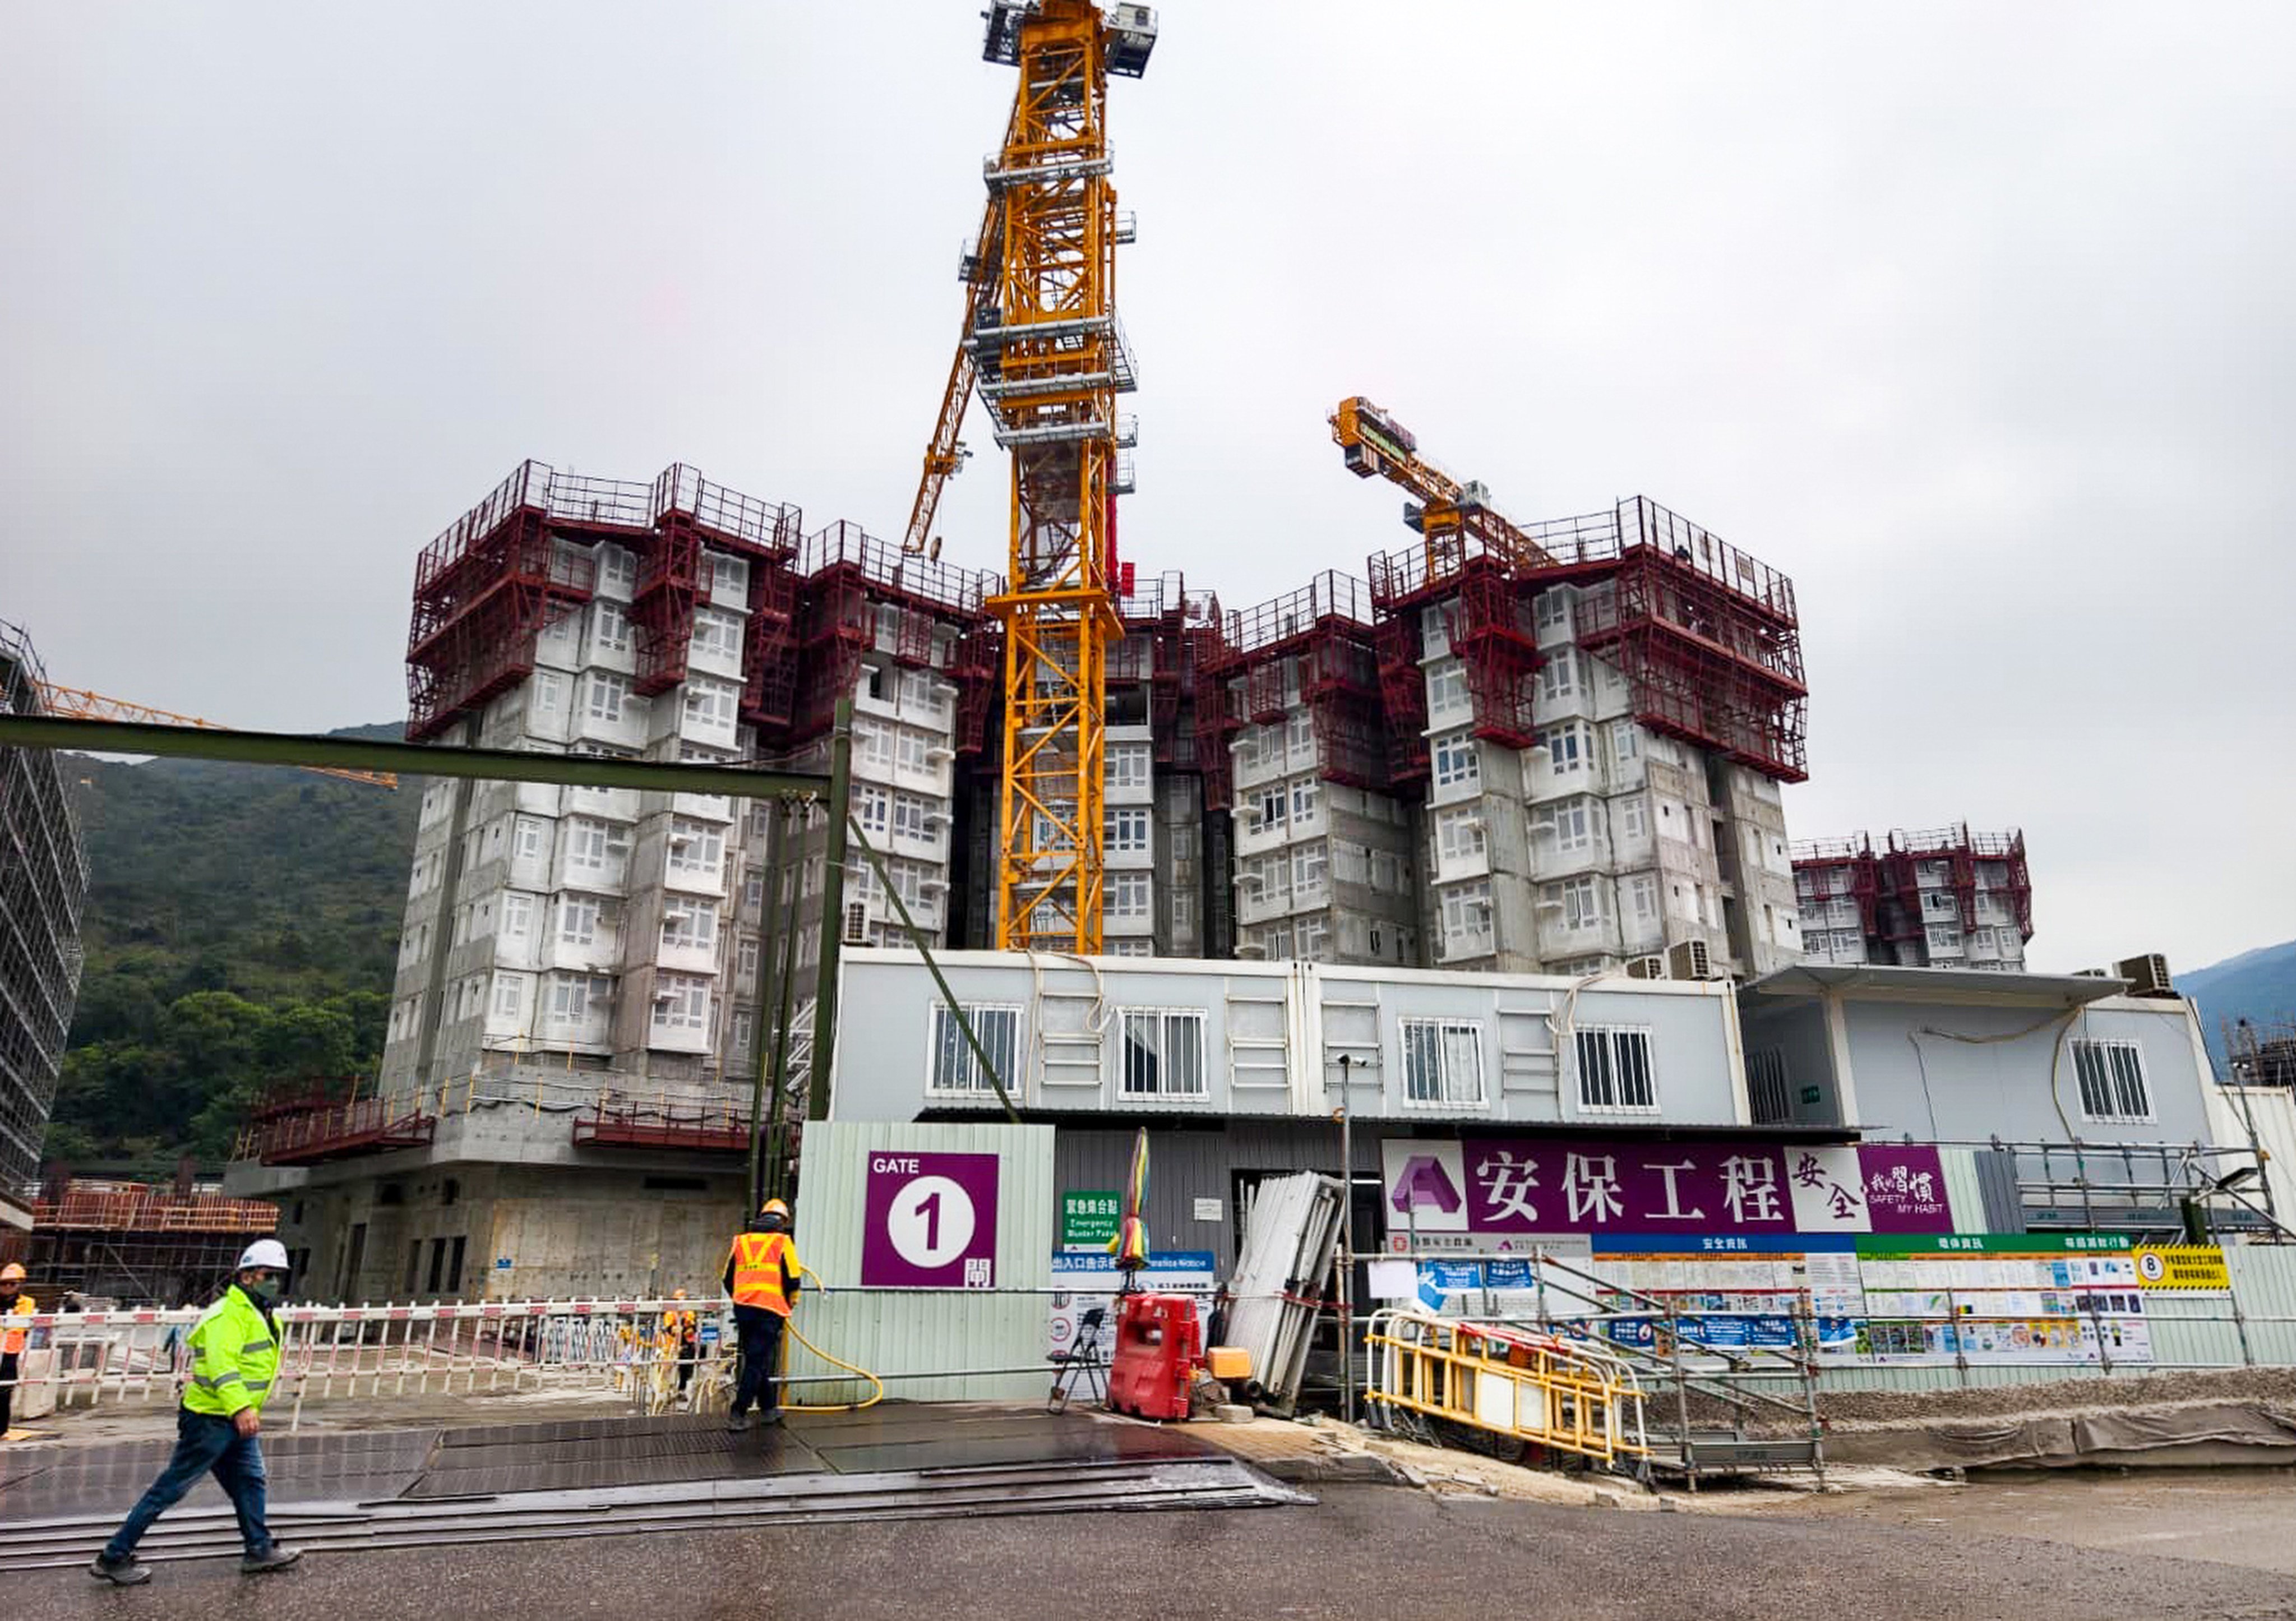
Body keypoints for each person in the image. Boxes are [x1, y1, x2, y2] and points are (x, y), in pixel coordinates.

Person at [89, 1240, 303, 1586]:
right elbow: (222, 1365)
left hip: (232, 1419)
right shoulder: (228, 1315)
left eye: (279, 1277)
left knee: (250, 1481)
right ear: (247, 1277)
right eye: (269, 1276)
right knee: (171, 1488)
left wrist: (242, 1410)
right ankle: (114, 1557)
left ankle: (259, 1549)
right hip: (211, 1419)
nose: (275, 1283)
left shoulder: (257, 1312)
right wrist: (242, 1406)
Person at [722, 1198, 802, 1432]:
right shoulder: (783, 1241)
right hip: (770, 1309)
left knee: (757, 1358)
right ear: (782, 1221)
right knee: (756, 1361)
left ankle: (768, 1408)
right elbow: (793, 1278)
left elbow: (728, 1278)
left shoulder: (741, 1242)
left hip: (744, 1308)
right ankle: (738, 1412)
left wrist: (741, 1298)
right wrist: (791, 1302)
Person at [1, 1262, 33, 1440]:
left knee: (4, 1391)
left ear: (20, 1284)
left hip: (9, 1353)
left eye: (12, 1284)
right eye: (4, 1283)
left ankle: (1, 1430)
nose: (7, 1287)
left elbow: (21, 1327)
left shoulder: (26, 1303)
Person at [662, 1288, 700, 1398]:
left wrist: (681, 1329)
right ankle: (667, 1390)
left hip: (686, 1344)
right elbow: (670, 1329)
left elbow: (692, 1328)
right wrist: (683, 1329)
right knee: (668, 1368)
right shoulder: (670, 1313)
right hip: (671, 1344)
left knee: (685, 1367)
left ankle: (681, 1390)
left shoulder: (689, 1313)